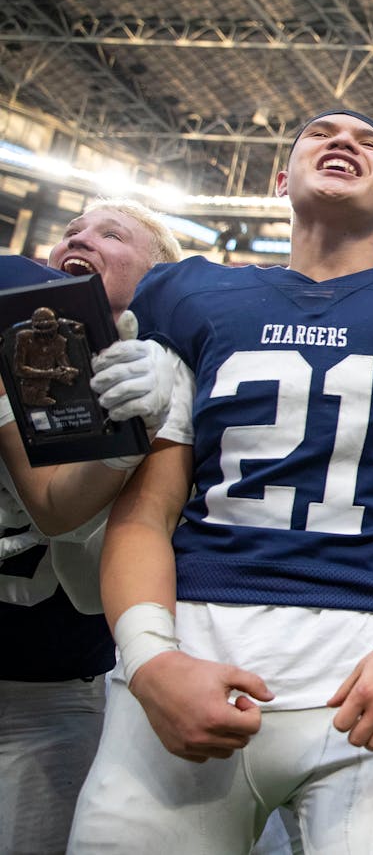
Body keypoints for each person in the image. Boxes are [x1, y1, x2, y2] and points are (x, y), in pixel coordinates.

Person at [67, 110, 373, 853]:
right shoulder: (192, 298)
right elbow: (145, 514)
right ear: (279, 180)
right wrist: (150, 656)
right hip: (194, 651)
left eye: (371, 142)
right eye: (321, 134)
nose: (345, 142)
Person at [0, 200, 181, 853]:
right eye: (73, 229)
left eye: (112, 232)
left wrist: (145, 431)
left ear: (161, 276)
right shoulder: (25, 336)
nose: (81, 236)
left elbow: (73, 546)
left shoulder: (186, 365)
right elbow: (50, 503)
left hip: (59, 686)